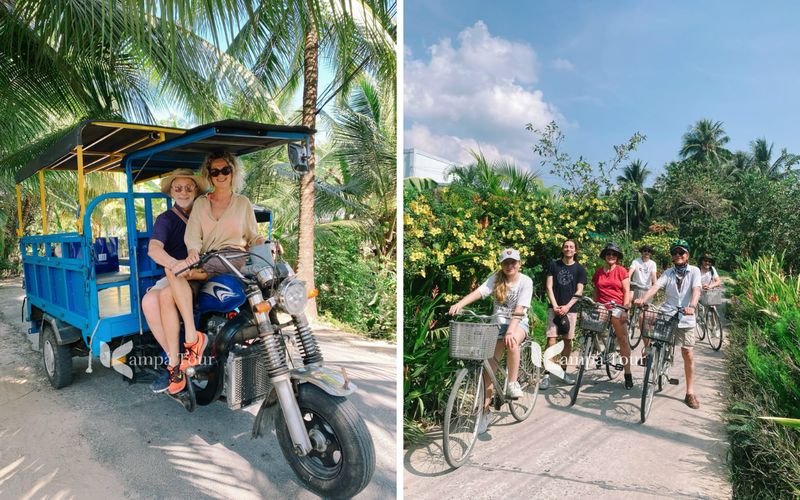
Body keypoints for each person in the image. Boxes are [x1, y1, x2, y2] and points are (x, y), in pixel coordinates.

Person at [168, 152, 265, 392]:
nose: (220, 175)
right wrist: (192, 253)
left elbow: (254, 236)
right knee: (177, 277)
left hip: (234, 258)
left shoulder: (242, 203)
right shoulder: (201, 203)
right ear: (209, 175)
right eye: (215, 171)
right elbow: (192, 236)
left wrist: (267, 244)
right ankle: (190, 341)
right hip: (207, 258)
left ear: (233, 172)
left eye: (225, 170)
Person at [448, 248, 533, 434]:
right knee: (488, 370)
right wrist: (459, 304)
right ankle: (485, 412)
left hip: (518, 324)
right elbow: (479, 292)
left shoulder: (526, 281)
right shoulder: (496, 278)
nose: (510, 266)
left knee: (512, 342)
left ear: (519, 264)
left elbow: (520, 309)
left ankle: (512, 383)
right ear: (502, 265)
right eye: (506, 263)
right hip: (497, 326)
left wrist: (511, 330)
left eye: (513, 262)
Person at [140, 169, 209, 394]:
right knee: (149, 301)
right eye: (178, 188)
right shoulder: (166, 219)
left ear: (196, 190)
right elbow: (154, 249)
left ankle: (183, 355)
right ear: (171, 191)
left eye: (188, 188)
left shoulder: (205, 212)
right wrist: (174, 264)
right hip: (175, 272)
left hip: (200, 272)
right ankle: (174, 360)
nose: (183, 192)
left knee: (166, 295)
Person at [635, 239, 702, 409]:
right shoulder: (668, 273)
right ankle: (649, 349)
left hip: (686, 316)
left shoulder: (694, 271)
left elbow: (697, 290)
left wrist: (692, 306)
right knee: (645, 317)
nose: (678, 256)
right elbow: (655, 286)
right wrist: (643, 299)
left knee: (687, 352)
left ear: (687, 255)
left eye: (681, 252)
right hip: (667, 313)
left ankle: (690, 392)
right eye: (675, 253)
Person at [541, 239, 587, 390]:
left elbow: (579, 291)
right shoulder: (554, 265)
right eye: (566, 246)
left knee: (568, 341)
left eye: (571, 247)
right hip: (553, 308)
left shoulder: (580, 269)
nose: (568, 249)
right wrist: (554, 305)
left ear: (575, 251)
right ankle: (546, 374)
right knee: (551, 340)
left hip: (571, 310)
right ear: (562, 249)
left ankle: (563, 372)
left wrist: (567, 307)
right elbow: (549, 286)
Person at [592, 242, 634, 389]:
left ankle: (627, 373)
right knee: (592, 328)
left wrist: (625, 309)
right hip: (602, 306)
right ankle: (600, 350)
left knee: (622, 339)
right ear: (605, 256)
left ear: (617, 257)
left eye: (614, 254)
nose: (611, 256)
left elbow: (627, 291)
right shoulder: (598, 272)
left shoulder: (622, 271)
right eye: (609, 254)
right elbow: (595, 291)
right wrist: (595, 304)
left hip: (617, 306)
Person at [629, 245, 657, 365]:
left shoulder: (652, 263)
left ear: (650, 253)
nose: (646, 253)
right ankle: (629, 326)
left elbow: (654, 277)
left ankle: (647, 346)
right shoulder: (636, 261)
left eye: (648, 251)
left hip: (647, 290)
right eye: (644, 251)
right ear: (641, 252)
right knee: (628, 306)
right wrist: (627, 279)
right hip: (636, 288)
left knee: (645, 317)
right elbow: (630, 272)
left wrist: (655, 286)